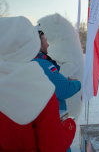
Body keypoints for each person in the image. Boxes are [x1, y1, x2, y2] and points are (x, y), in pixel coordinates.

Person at [0, 16, 76, 152]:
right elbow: (54, 148)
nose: (48, 44)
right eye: (45, 41)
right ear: (31, 45)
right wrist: (70, 125)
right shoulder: (40, 90)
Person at [33, 31, 81, 112]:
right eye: (45, 41)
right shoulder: (42, 64)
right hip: (49, 115)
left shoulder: (28, 61)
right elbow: (65, 89)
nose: (48, 44)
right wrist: (77, 83)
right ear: (38, 44)